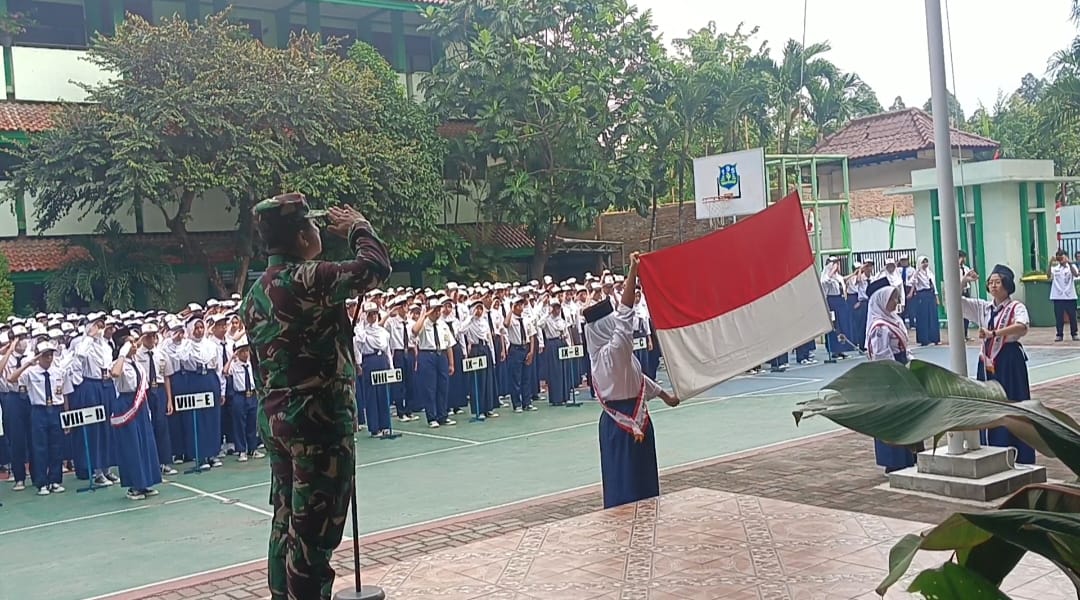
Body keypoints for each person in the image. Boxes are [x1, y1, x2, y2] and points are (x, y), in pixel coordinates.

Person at [240, 193, 392, 600]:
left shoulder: (256, 292)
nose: (315, 232)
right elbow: (375, 267)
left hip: (277, 421)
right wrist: (360, 226)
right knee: (313, 536)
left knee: (286, 523)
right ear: (301, 237)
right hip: (317, 422)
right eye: (310, 226)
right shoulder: (305, 279)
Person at [584, 252, 679, 509]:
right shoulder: (613, 353)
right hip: (627, 421)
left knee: (626, 477)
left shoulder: (601, 357)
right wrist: (633, 272)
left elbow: (637, 379)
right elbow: (625, 316)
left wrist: (664, 396)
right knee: (632, 482)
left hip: (623, 420)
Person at [961, 265, 1036, 464]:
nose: (993, 286)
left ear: (1007, 285)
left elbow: (1022, 326)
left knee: (1013, 402)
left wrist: (994, 334)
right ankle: (992, 446)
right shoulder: (984, 307)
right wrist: (964, 281)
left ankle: (1019, 451)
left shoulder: (1016, 307)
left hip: (1009, 360)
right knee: (989, 404)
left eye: (998, 282)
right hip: (987, 361)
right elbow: (954, 302)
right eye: (991, 282)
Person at [863, 277, 922, 473]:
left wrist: (911, 363)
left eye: (896, 299)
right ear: (881, 300)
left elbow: (904, 347)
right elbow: (882, 355)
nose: (896, 303)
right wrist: (898, 373)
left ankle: (911, 454)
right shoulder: (879, 327)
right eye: (892, 299)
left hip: (902, 368)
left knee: (909, 413)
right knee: (893, 415)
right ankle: (895, 460)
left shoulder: (894, 319)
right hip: (889, 374)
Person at [1047, 250, 1079, 342]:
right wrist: (1050, 263)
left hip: (1070, 295)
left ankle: (1074, 333)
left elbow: (1076, 274)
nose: (1061, 259)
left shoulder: (1072, 267)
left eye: (1062, 257)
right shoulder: (1055, 268)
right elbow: (1048, 276)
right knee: (1059, 316)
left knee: (1072, 316)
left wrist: (1068, 262)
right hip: (1058, 296)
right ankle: (1059, 334)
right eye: (1059, 257)